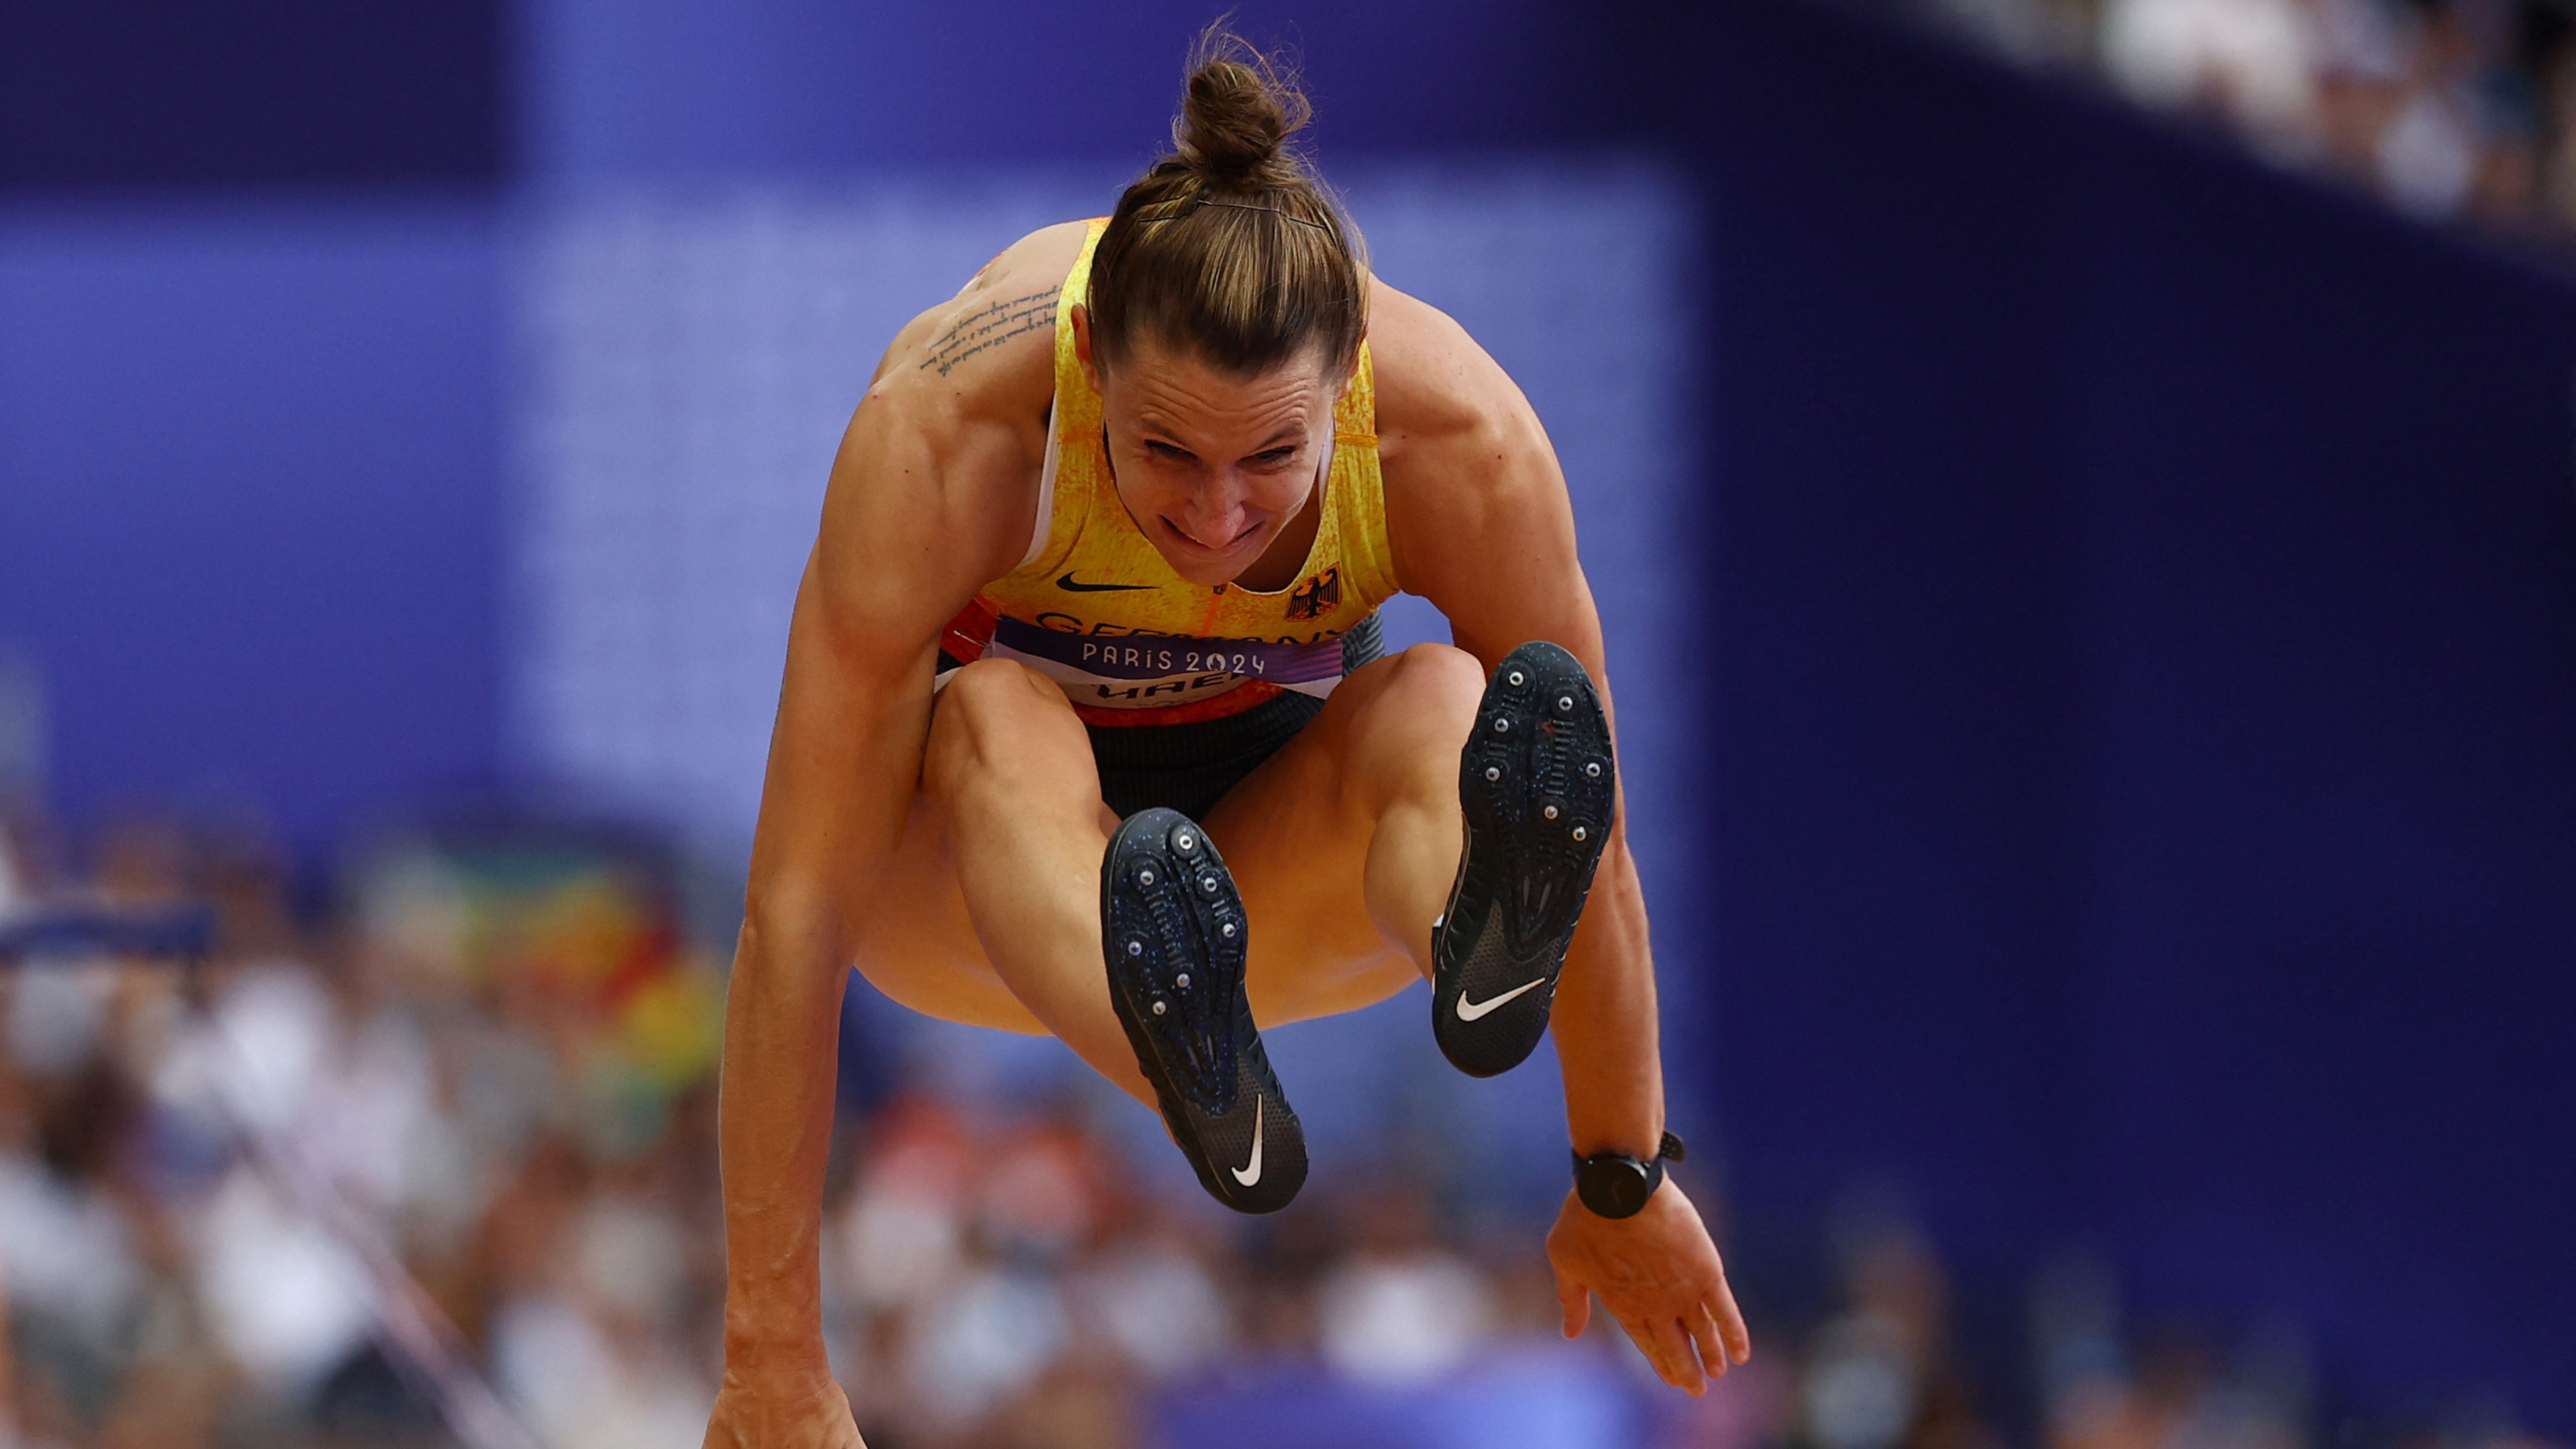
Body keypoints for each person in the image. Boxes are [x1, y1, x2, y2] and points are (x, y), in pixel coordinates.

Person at [703, 34, 1752, 1447]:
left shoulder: (1465, 447)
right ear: (1088, 363)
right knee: (1004, 717)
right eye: (1166, 456)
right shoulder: (946, 433)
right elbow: (795, 909)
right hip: (972, 896)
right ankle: (1162, 1032)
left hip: (1267, 881)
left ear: (1350, 393)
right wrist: (773, 1351)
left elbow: (1598, 842)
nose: (1215, 518)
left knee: (1452, 705)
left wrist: (1618, 1177)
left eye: (1273, 460)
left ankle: (1471, 924)